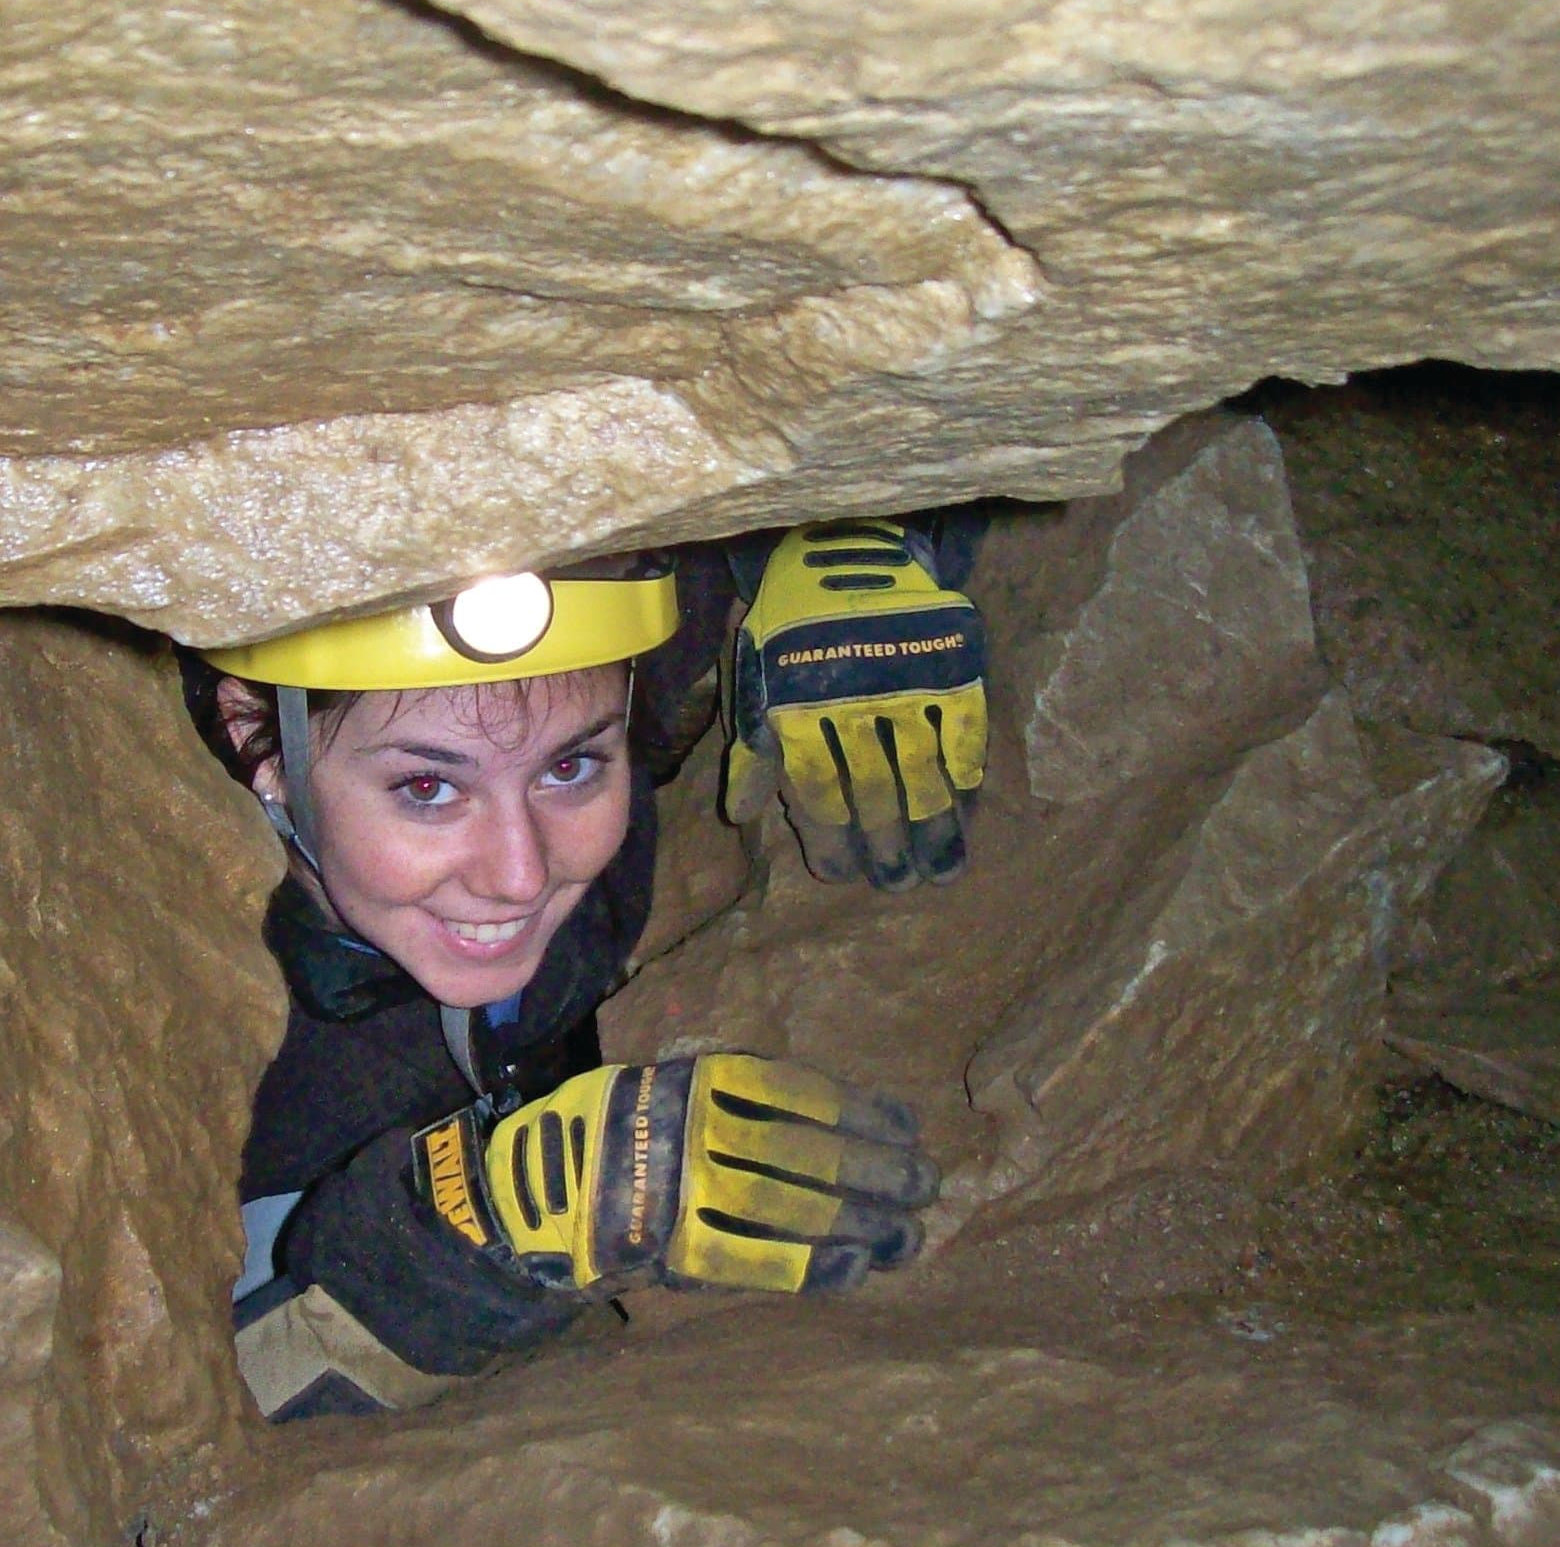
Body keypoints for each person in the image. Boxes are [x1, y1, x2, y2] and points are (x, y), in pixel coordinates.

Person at [185, 515, 990, 1421]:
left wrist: (846, 556)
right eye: (427, 788)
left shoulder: (598, 659)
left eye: (571, 767)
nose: (521, 875)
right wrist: (478, 1220)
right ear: (259, 737)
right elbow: (185, 1413)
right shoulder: (219, 1051)